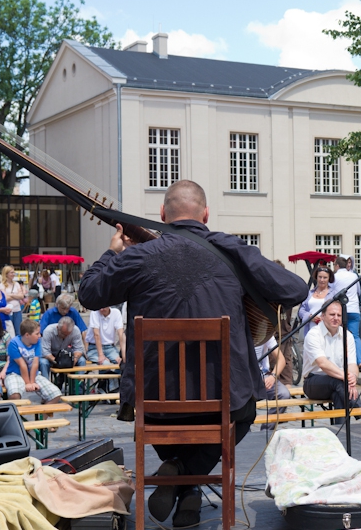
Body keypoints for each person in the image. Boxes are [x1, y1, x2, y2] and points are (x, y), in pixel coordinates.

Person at [78, 180, 307, 527]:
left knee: (158, 408)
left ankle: (181, 480)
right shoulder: (229, 250)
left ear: (161, 215)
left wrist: (113, 252)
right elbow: (295, 288)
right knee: (244, 409)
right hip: (223, 401)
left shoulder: (137, 255)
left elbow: (90, 293)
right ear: (206, 214)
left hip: (155, 407)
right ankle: (186, 479)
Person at [302, 302, 361, 424]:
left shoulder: (347, 336)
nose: (336, 318)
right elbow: (323, 363)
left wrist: (352, 380)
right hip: (313, 382)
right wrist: (347, 377)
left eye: (339, 315)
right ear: (323, 315)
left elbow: (352, 364)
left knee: (339, 393)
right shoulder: (314, 334)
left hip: (340, 382)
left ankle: (340, 432)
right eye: (332, 314)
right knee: (337, 382)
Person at [4, 319, 63, 407]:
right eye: (37, 333)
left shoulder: (37, 342)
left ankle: (41, 418)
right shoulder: (14, 343)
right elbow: (22, 364)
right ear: (27, 335)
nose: (39, 336)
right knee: (15, 394)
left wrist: (32, 382)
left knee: (56, 394)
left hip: (33, 374)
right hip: (15, 374)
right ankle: (15, 418)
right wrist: (28, 384)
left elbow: (35, 363)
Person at [331, 256, 361, 372]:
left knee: (339, 335)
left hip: (340, 309)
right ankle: (359, 361)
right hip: (354, 308)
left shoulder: (335, 277)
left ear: (337, 265)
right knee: (355, 336)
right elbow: (359, 291)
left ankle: (342, 360)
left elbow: (332, 293)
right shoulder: (354, 275)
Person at [255, 336, 290, 431]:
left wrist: (272, 377)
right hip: (245, 378)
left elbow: (281, 360)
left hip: (264, 375)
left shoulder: (266, 333)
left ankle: (266, 430)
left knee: (284, 394)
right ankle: (244, 434)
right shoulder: (239, 332)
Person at [297, 266, 335, 335]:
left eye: (325, 277)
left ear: (329, 278)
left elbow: (336, 312)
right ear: (316, 277)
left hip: (326, 330)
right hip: (310, 329)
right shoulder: (309, 293)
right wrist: (310, 316)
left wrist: (324, 318)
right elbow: (301, 311)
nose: (322, 280)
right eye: (320, 277)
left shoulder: (333, 294)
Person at [2, 266, 26, 336]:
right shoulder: (2, 285)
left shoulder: (16, 284)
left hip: (17, 309)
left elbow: (21, 296)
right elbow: (5, 298)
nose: (13, 274)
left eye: (14, 272)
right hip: (8, 310)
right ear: (6, 274)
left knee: (19, 331)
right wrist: (16, 295)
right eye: (11, 272)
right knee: (9, 331)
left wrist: (11, 295)